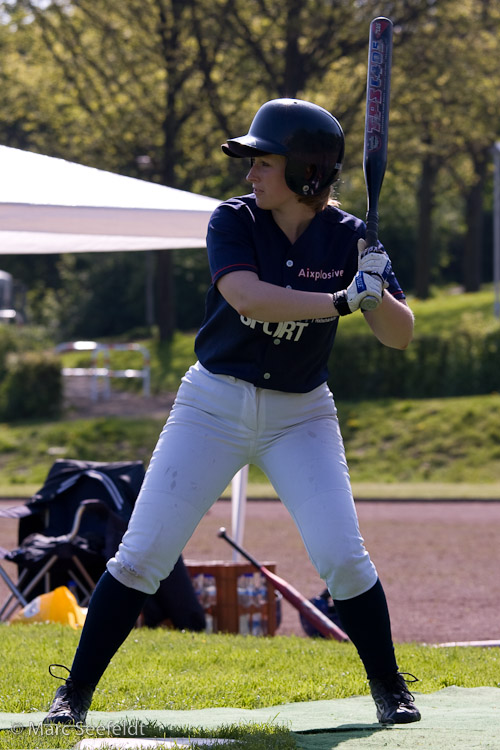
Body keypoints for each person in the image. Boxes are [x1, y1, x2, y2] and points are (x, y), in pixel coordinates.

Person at [43, 98, 420, 727]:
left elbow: (400, 336)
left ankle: (391, 688)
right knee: (142, 554)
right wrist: (341, 299)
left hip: (302, 413)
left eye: (264, 162)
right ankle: (72, 696)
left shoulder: (353, 236)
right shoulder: (233, 219)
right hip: (212, 404)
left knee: (343, 557)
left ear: (304, 172)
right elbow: (248, 296)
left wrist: (376, 293)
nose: (251, 174)